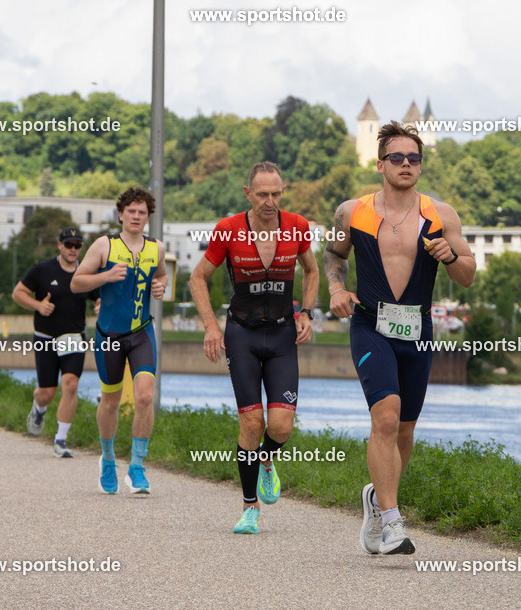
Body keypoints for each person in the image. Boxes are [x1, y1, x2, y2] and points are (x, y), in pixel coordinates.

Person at [325, 122, 475, 555]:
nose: (405, 164)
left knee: (405, 430)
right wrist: (336, 289)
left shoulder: (441, 214)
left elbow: (467, 275)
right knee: (386, 417)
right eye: (396, 157)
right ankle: (392, 522)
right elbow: (333, 254)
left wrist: (451, 256)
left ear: (421, 166)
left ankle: (377, 498)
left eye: (413, 158)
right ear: (380, 165)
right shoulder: (351, 211)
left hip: (418, 329)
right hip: (370, 325)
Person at [188, 161, 319, 535]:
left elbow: (312, 271)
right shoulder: (229, 229)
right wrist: (211, 326)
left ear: (283, 191)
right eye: (262, 194)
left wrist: (307, 313)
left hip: (282, 336)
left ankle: (265, 459)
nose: (270, 201)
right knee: (251, 423)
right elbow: (198, 277)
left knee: (281, 427)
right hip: (242, 336)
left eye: (276, 194)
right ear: (248, 193)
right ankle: (249, 508)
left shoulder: (297, 226)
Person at [72, 187, 168, 495]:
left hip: (142, 332)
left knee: (145, 397)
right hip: (109, 336)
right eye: (131, 211)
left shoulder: (157, 248)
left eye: (142, 212)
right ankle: (108, 459)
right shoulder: (105, 245)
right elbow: (76, 282)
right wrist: (105, 277)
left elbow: (161, 276)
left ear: (148, 217)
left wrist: (160, 287)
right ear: (121, 215)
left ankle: (137, 467)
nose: (136, 217)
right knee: (111, 401)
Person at [12, 227, 100, 457]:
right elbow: (18, 293)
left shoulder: (86, 273)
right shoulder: (42, 269)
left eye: (77, 245)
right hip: (46, 337)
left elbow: (98, 297)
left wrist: (99, 305)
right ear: (59, 245)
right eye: (68, 244)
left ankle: (60, 440)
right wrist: (38, 305)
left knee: (70, 385)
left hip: (73, 337)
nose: (73, 249)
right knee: (47, 393)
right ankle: (39, 408)